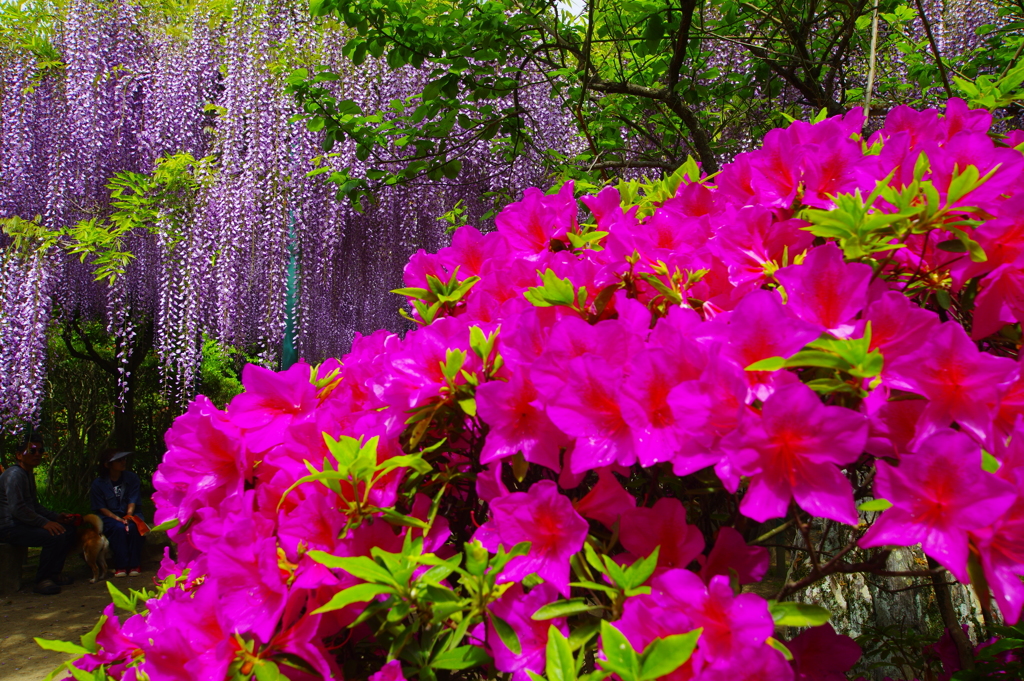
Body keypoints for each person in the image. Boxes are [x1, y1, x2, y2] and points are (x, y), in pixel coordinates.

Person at [0, 430, 76, 595]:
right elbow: (17, 508)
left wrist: (55, 517)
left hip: (23, 523)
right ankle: (42, 579)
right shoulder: (14, 475)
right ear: (19, 455)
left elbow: (34, 505)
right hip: (9, 528)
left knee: (68, 530)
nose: (37, 454)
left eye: (40, 451)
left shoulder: (27, 474)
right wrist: (44, 523)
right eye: (32, 451)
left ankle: (54, 573)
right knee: (53, 535)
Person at [91, 448, 144, 577]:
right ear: (108, 465)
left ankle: (134, 565)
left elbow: (133, 499)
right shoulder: (98, 484)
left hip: (131, 513)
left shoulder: (131, 478)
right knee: (118, 529)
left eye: (124, 459)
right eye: (118, 460)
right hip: (109, 516)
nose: (123, 462)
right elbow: (101, 507)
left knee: (134, 527)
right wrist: (117, 518)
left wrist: (129, 516)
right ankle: (121, 565)